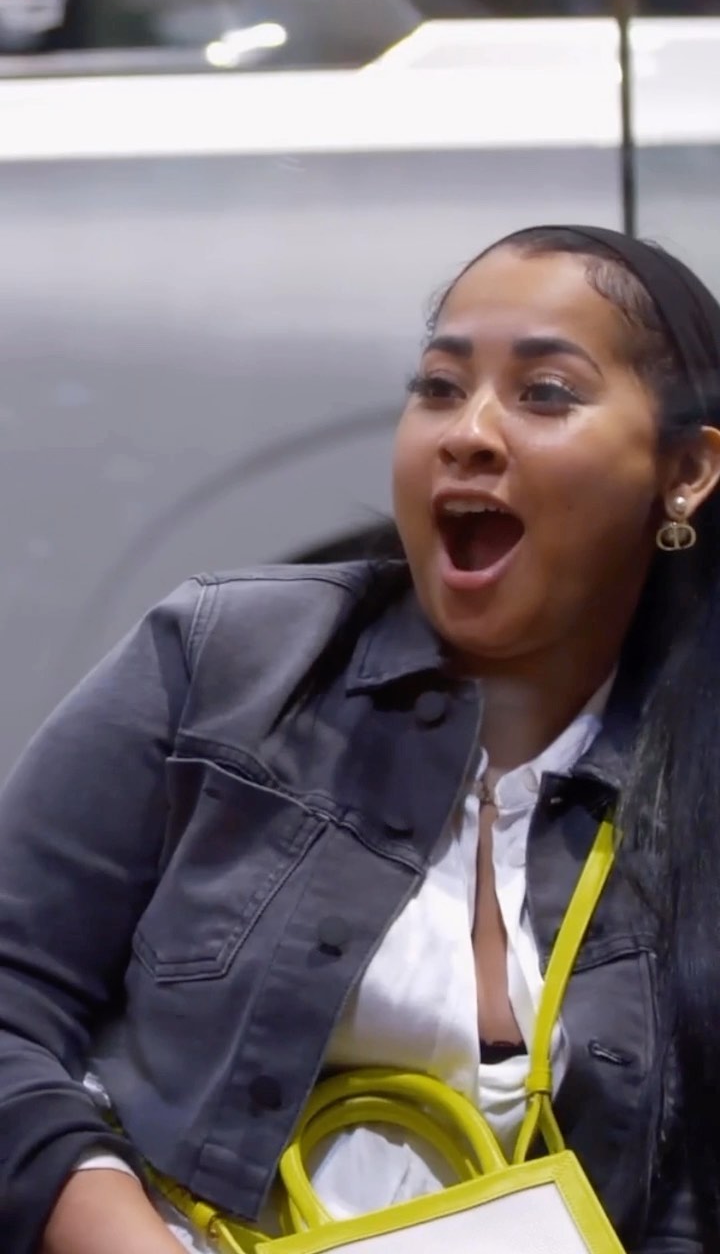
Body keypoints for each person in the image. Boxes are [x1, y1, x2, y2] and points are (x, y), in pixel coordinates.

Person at [2, 224, 720, 1254]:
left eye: (545, 393)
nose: (469, 433)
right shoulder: (223, 659)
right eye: (439, 387)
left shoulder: (693, 761)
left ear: (685, 470)